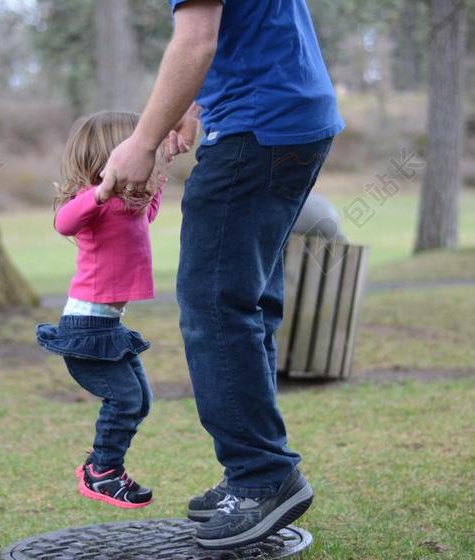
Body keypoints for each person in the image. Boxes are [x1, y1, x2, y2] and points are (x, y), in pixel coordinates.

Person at [95, 0, 344, 549]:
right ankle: (252, 475)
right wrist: (199, 100)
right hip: (291, 119)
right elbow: (244, 31)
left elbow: (196, 40)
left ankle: (262, 476)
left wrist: (141, 141)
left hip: (256, 129)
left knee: (214, 305)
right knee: (246, 303)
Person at [35, 111, 170, 509]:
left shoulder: (129, 207)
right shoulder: (92, 204)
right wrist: (100, 191)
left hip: (107, 327)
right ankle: (103, 472)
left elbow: (149, 211)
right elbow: (63, 222)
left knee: (141, 400)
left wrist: (163, 164)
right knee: (126, 400)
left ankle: (102, 466)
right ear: (111, 157)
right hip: (86, 328)